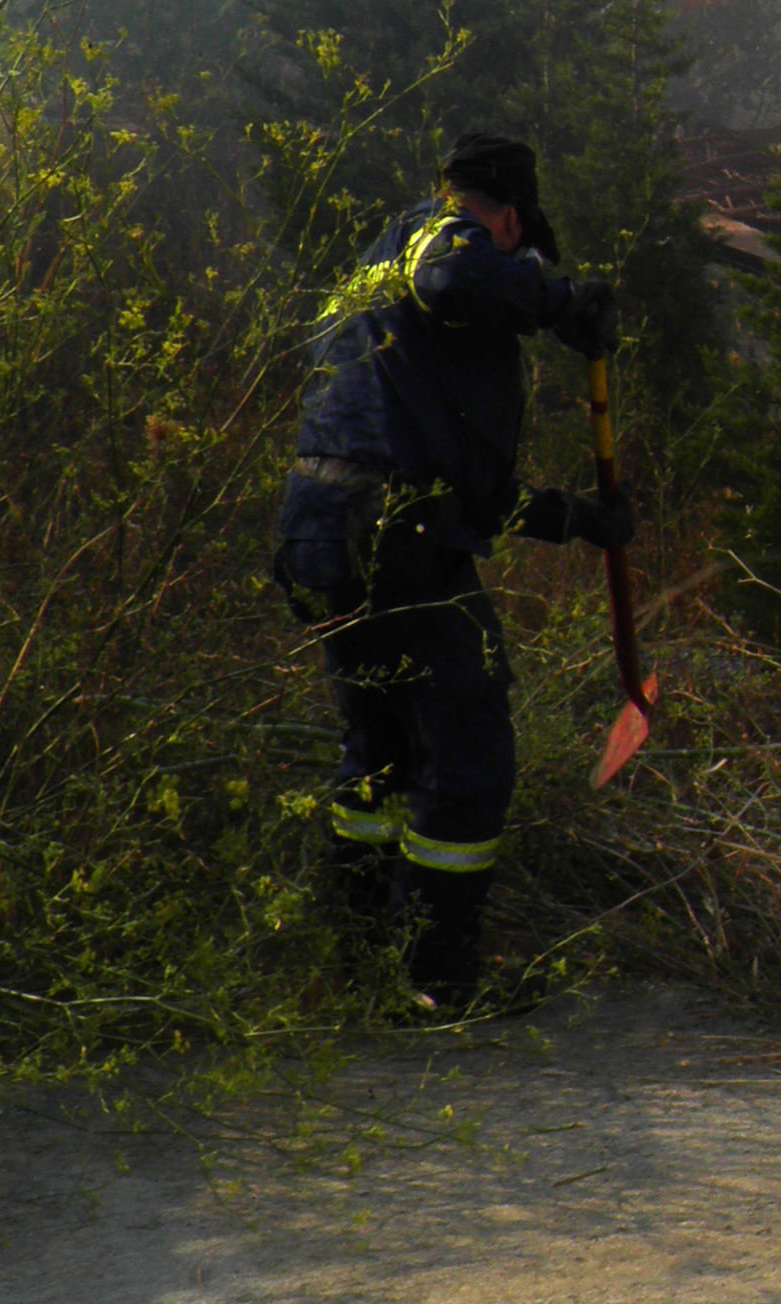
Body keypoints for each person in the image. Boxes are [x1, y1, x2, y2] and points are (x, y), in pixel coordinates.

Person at [270, 133, 622, 1010]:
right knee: (466, 753)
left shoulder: (391, 298)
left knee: (382, 750)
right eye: (523, 243)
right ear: (506, 218)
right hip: (387, 533)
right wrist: (560, 299)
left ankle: (363, 967)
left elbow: (460, 483)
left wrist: (573, 519)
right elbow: (458, 275)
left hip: (329, 530)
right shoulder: (442, 240)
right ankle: (439, 984)